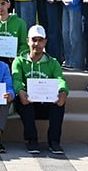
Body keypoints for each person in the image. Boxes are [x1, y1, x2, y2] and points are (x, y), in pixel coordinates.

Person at [13, 25, 68, 155]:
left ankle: (54, 141)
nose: (37, 44)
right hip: (28, 100)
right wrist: (20, 90)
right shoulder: (19, 61)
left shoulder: (53, 62)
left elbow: (60, 79)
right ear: (28, 41)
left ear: (45, 42)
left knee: (59, 104)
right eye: (34, 40)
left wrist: (63, 91)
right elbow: (16, 79)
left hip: (46, 102)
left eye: (40, 40)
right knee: (24, 104)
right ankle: (31, 140)